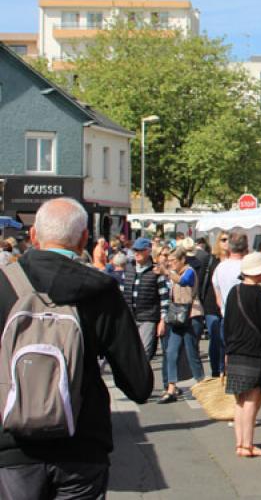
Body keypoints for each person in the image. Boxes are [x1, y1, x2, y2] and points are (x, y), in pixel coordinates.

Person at [0, 197, 152, 497]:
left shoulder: (4, 284)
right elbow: (139, 384)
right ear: (84, 238)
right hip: (82, 441)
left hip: (12, 445)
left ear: (33, 236)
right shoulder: (102, 291)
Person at [224, 252, 261, 458]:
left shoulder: (234, 292)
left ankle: (240, 444)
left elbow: (227, 323)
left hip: (235, 350)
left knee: (240, 400)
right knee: (252, 399)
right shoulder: (259, 294)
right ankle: (248, 445)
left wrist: (227, 351)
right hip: (254, 351)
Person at [159, 249, 206, 403]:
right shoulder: (173, 273)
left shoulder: (189, 271)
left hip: (192, 315)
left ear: (182, 260)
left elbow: (184, 281)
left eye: (173, 260)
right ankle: (171, 388)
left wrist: (167, 272)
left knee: (192, 352)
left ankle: (202, 385)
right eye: (170, 260)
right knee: (171, 352)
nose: (171, 263)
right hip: (177, 316)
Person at [124, 236, 169, 373]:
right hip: (130, 317)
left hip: (148, 317)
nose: (136, 253)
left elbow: (164, 298)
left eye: (140, 250)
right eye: (135, 250)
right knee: (130, 352)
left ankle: (140, 381)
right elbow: (122, 292)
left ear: (148, 251)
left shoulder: (156, 272)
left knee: (144, 353)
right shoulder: (129, 268)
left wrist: (163, 320)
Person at [200, 234, 226, 378]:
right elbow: (202, 282)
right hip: (211, 305)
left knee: (226, 338)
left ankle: (225, 368)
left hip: (229, 305)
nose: (226, 243)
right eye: (223, 240)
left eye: (228, 240)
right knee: (216, 337)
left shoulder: (233, 260)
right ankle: (216, 369)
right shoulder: (210, 260)